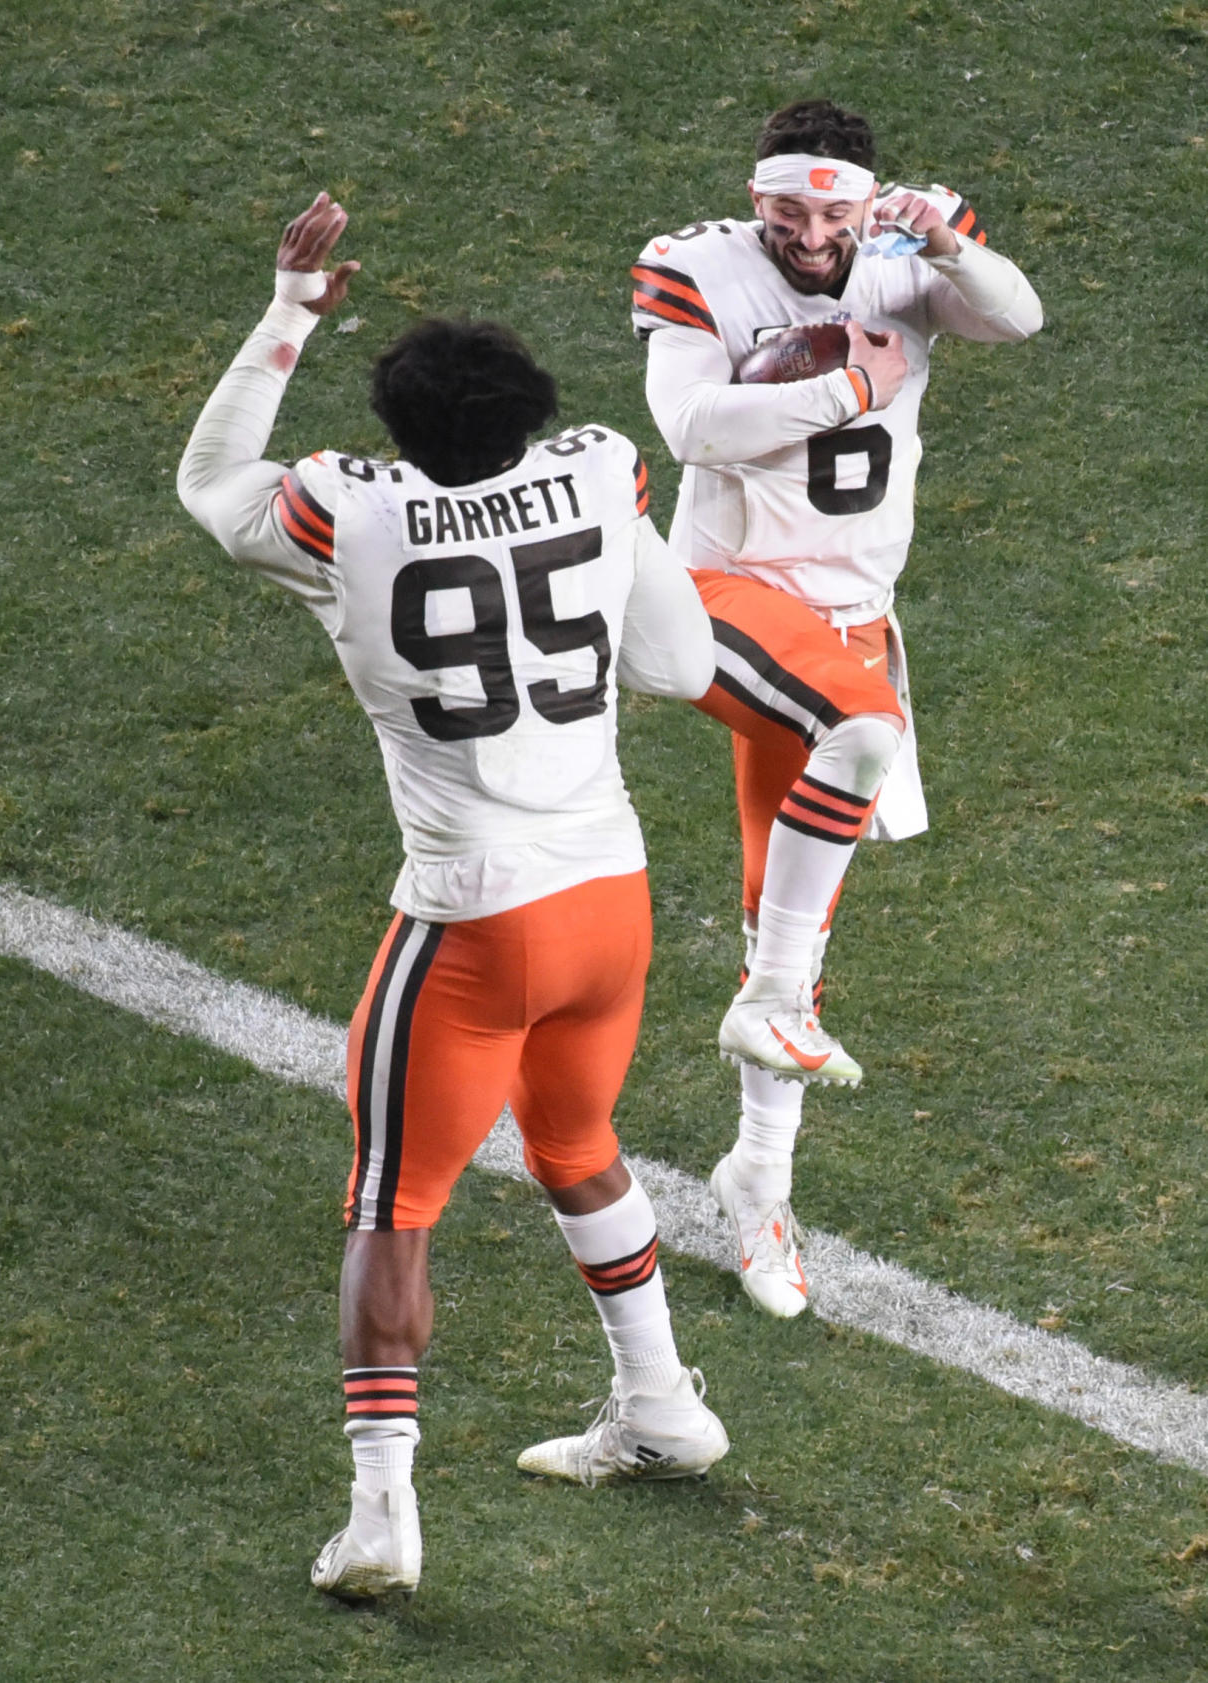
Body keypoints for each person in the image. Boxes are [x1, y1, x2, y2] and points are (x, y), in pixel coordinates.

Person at [178, 193, 728, 1602]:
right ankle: (661, 1404)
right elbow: (677, 665)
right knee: (576, 1138)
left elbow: (209, 479)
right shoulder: (602, 476)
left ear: (399, 429)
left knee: (391, 1200)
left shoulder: (347, 514)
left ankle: (381, 1514)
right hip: (608, 893)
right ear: (537, 412)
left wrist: (290, 307)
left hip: (473, 918)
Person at [630, 98, 1042, 1318]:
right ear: (755, 195)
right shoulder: (693, 262)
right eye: (786, 207)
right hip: (723, 589)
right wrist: (846, 392)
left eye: (831, 209)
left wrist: (954, 247)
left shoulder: (909, 255)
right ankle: (764, 1015)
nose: (810, 231)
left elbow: (1021, 317)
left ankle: (758, 1182)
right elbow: (691, 422)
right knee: (859, 737)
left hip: (851, 614)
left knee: (790, 908)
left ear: (866, 200)